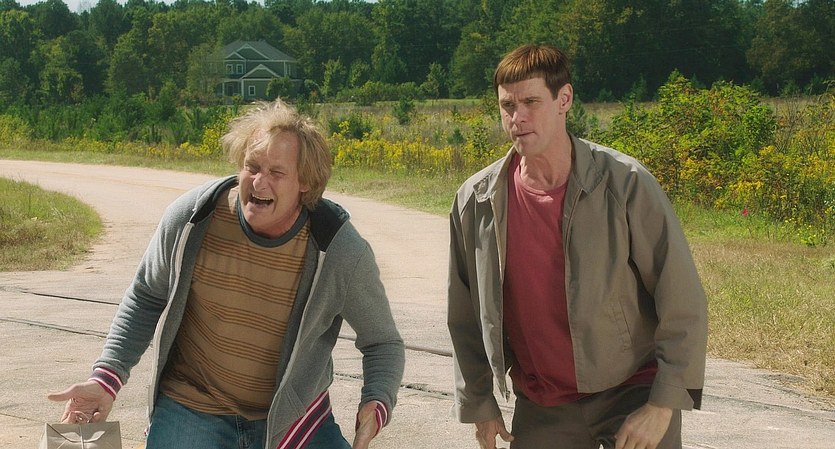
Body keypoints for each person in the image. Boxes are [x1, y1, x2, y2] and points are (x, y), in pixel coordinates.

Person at [48, 99, 405, 449]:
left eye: (276, 173)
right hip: (192, 404)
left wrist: (377, 401)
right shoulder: (192, 219)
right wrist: (106, 379)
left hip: (293, 420)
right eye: (252, 167)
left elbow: (382, 342)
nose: (259, 183)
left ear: (305, 183)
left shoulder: (340, 250)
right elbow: (146, 297)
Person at [447, 44, 708, 449]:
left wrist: (663, 404)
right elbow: (464, 315)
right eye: (507, 105)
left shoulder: (625, 183)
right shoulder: (476, 200)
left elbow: (681, 298)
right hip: (542, 404)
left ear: (564, 99)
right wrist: (479, 401)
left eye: (531, 102)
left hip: (632, 391)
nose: (517, 117)